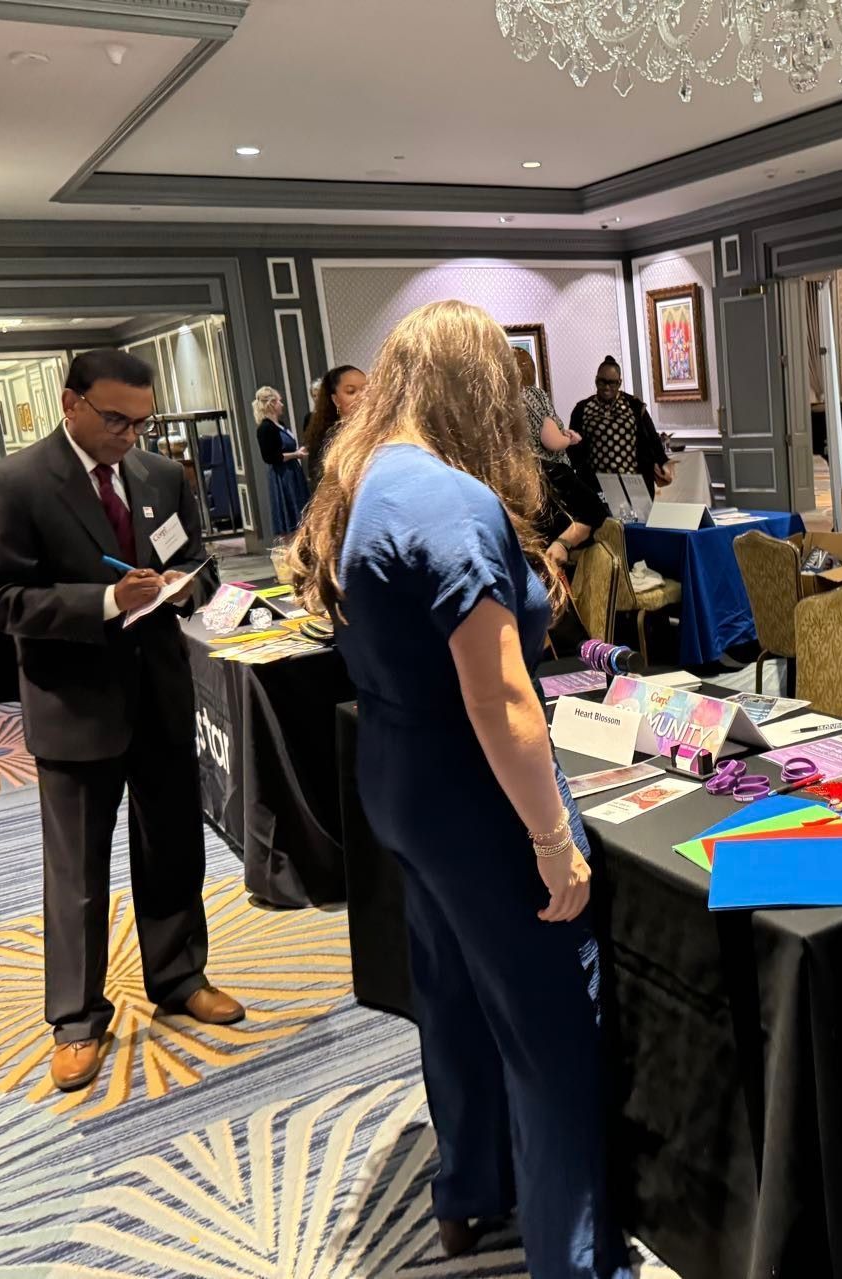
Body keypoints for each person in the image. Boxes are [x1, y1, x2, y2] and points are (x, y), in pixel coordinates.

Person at [286, 301, 631, 1279]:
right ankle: (575, 1259)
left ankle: (467, 1193)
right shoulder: (447, 499)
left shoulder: (359, 476)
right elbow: (504, 703)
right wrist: (555, 837)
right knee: (552, 1032)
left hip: (397, 772)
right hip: (468, 790)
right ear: (480, 390)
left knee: (452, 996)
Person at [0, 348, 242, 1094]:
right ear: (72, 403)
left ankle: (181, 975)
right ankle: (77, 1018)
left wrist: (185, 587)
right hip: (74, 707)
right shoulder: (15, 484)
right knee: (78, 873)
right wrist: (102, 603)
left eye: (141, 421)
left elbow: (200, 561)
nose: (131, 435)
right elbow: (0, 600)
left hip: (160, 693)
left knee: (172, 848)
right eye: (116, 419)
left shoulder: (161, 476)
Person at [515, 347, 606, 567]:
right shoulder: (534, 396)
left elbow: (550, 440)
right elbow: (552, 440)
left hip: (543, 474)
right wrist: (569, 440)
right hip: (544, 471)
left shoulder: (519, 400)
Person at [568, 356, 672, 498]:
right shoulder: (583, 409)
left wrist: (663, 463)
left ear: (619, 383)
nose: (606, 387)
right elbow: (573, 448)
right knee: (603, 520)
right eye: (602, 382)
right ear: (596, 380)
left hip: (634, 482)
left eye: (612, 383)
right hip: (596, 485)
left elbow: (652, 437)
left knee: (639, 519)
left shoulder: (634, 406)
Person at [253, 386, 310, 537]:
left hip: (292, 472)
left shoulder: (281, 425)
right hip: (282, 475)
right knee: (289, 516)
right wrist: (295, 455)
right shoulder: (265, 428)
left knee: (301, 512)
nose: (282, 405)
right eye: (279, 401)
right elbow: (270, 457)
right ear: (271, 404)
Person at [301, 364, 367, 490]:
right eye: (351, 391)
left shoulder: (381, 431)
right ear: (335, 400)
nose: (362, 396)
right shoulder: (330, 440)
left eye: (366, 389)